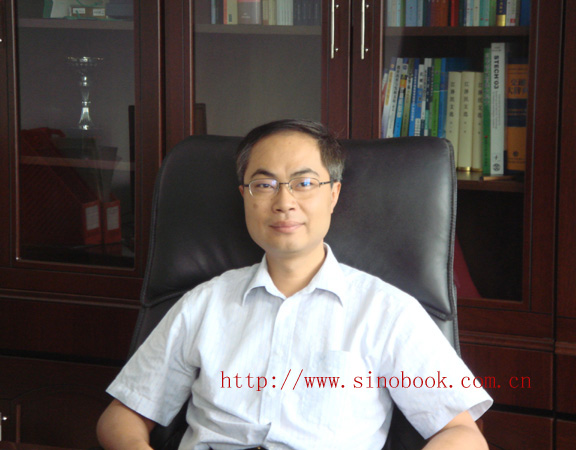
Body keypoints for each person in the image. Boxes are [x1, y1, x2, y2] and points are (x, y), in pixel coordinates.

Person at [97, 119, 492, 450]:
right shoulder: (203, 303)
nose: (284, 202)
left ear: (333, 194)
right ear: (244, 196)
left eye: (304, 183)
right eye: (264, 184)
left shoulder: (387, 312)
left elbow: (461, 434)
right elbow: (123, 415)